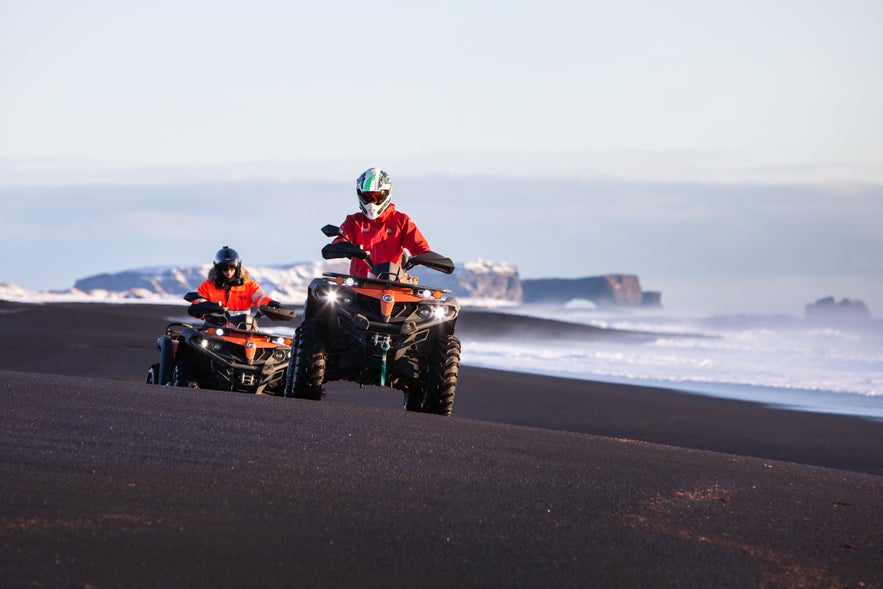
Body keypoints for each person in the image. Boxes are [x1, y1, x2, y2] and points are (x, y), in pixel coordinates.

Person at [334, 167, 432, 277]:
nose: (371, 202)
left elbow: (419, 245)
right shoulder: (353, 221)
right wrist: (341, 246)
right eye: (367, 197)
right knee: (324, 290)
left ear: (386, 194)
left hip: (394, 284)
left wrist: (427, 256)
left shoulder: (401, 220)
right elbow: (341, 238)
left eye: (376, 196)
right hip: (360, 285)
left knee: (426, 294)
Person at [191, 246, 281, 324]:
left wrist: (270, 303)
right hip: (214, 328)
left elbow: (260, 297)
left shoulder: (248, 285)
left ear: (237, 268)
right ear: (218, 269)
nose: (228, 272)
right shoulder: (207, 286)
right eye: (224, 268)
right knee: (198, 341)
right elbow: (197, 304)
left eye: (232, 268)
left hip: (243, 328)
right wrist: (204, 308)